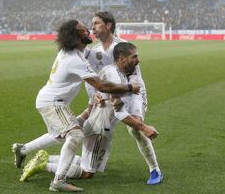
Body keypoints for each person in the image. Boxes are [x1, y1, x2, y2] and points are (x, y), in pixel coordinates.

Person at [15, 19, 140, 192]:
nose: (88, 31)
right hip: (52, 103)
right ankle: (58, 180)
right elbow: (101, 86)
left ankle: (23, 149)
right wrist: (129, 87)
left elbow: (99, 59)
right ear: (75, 37)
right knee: (75, 134)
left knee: (60, 136)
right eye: (83, 31)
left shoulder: (78, 52)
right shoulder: (74, 59)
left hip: (53, 101)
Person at [20, 42, 159, 181]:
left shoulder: (112, 71)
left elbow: (101, 93)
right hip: (99, 130)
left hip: (97, 126)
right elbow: (118, 110)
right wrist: (143, 127)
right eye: (134, 57)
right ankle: (44, 165)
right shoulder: (113, 74)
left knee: (89, 162)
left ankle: (47, 158)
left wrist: (98, 98)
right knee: (87, 173)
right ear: (122, 59)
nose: (138, 60)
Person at [82, 11, 163, 185]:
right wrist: (95, 95)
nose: (93, 27)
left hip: (132, 92)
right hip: (110, 93)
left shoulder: (123, 46)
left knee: (135, 128)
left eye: (96, 23)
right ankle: (89, 164)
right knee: (96, 128)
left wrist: (127, 90)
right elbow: (96, 78)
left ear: (108, 25)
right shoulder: (96, 51)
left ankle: (155, 169)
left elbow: (134, 75)